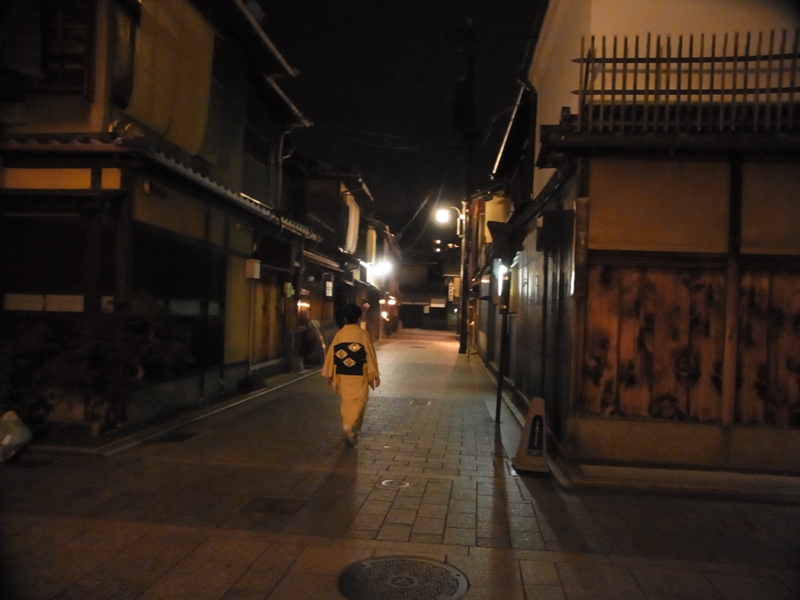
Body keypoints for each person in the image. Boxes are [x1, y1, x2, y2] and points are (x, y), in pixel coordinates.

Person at [322, 303, 380, 445]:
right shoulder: (363, 334)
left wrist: (330, 373)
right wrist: (374, 374)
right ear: (359, 318)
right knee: (360, 400)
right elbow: (370, 355)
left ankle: (350, 429)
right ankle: (349, 425)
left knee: (347, 401)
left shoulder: (340, 334)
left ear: (345, 318)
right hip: (359, 373)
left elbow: (332, 354)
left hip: (343, 373)